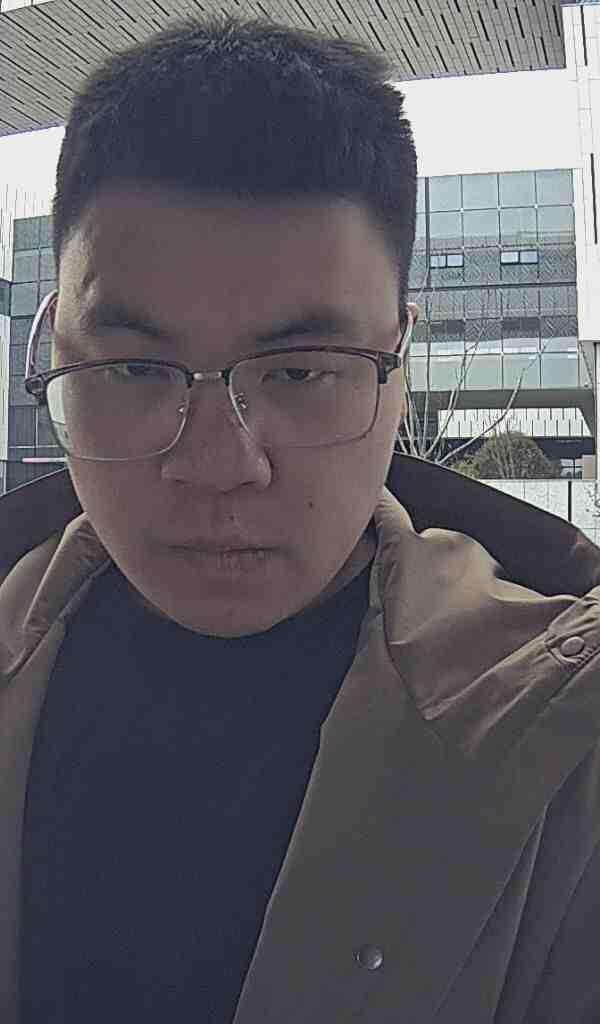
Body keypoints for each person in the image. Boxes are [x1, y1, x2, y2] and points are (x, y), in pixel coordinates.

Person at [0, 13, 599, 1024]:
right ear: (55, 347)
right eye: (135, 368)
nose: (215, 467)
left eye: (301, 371)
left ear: (398, 367)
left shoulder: (566, 752)